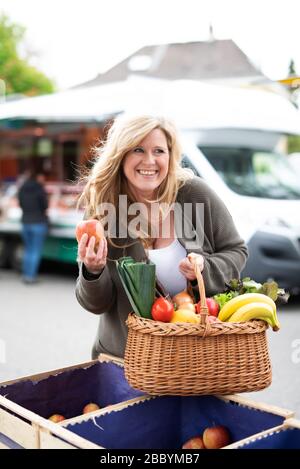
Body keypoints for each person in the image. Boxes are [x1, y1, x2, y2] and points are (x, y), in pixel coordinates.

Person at [75, 115, 248, 358]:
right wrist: (93, 271)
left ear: (170, 155)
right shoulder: (103, 210)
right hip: (127, 360)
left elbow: (236, 250)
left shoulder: (194, 194)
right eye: (138, 149)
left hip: (198, 357)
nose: (150, 161)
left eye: (159, 150)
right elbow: (96, 304)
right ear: (121, 155)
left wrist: (204, 267)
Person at [18, 171, 48, 283]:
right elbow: (45, 206)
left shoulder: (22, 188)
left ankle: (26, 275)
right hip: (38, 222)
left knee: (27, 250)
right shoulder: (39, 189)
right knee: (35, 251)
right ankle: (31, 277)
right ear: (37, 177)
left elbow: (20, 203)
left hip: (25, 222)